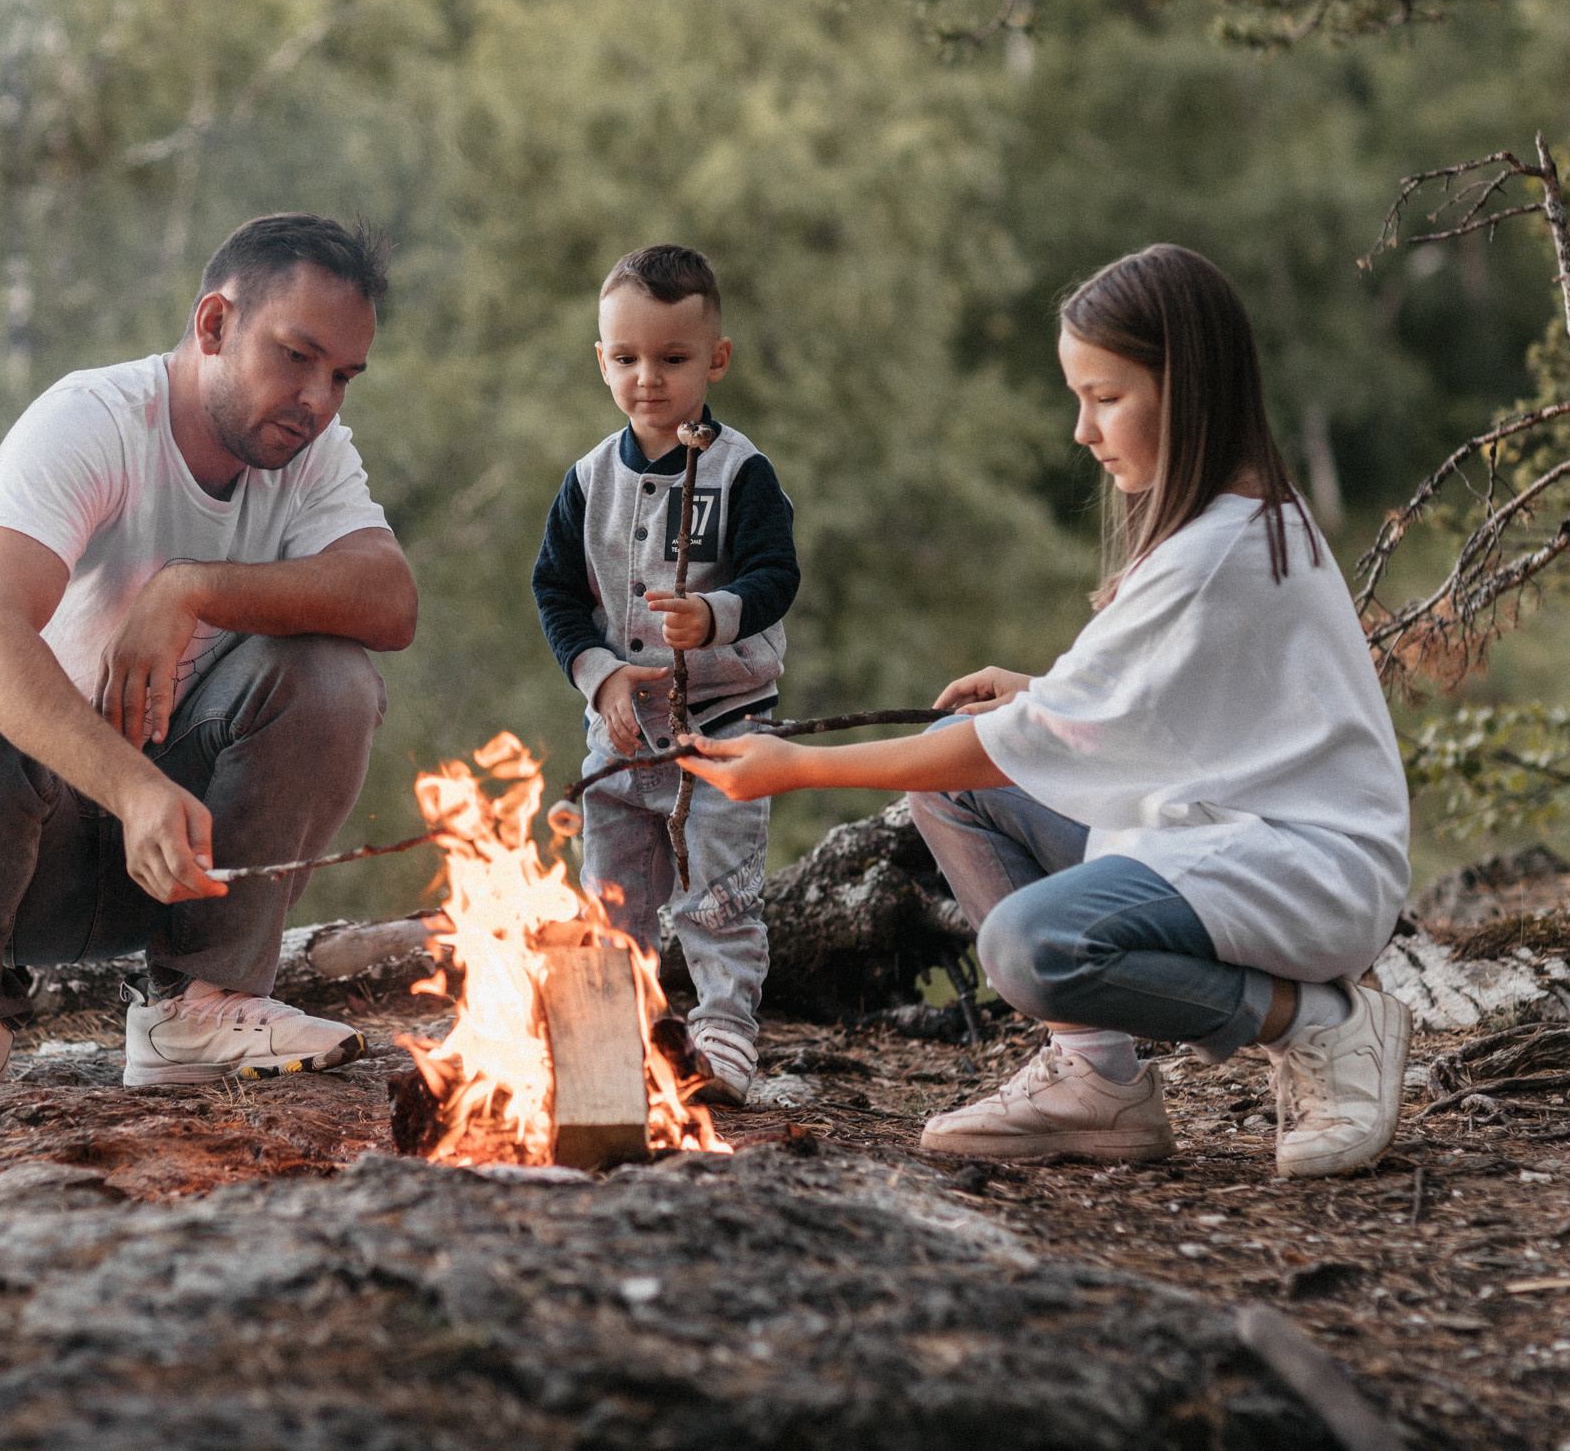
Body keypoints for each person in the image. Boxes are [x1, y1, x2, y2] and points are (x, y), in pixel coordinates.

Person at [679, 244, 1412, 1179]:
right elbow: (1202, 705)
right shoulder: (1232, 520)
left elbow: (1013, 750)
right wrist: (1041, 693)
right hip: (1226, 833)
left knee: (1031, 946)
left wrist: (796, 765)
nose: (1083, 430)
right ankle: (1096, 1084)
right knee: (955, 781)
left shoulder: (1213, 554)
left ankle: (1321, 1025)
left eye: (1106, 398)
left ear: (1187, 389)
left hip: (1305, 870)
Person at [0, 213, 417, 1100]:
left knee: (331, 673)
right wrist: (135, 786)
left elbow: (390, 599)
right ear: (214, 325)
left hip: (176, 862)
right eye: (296, 356)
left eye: (343, 376)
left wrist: (193, 588)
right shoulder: (92, 422)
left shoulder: (310, 455)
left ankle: (199, 1004)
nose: (319, 399)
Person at [533, 244, 800, 1107]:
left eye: (673, 359)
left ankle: (723, 1033)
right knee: (613, 885)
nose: (649, 378)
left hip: (723, 722)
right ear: (600, 359)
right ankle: (615, 1037)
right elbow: (557, 593)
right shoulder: (585, 482)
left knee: (716, 885)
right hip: (620, 727)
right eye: (627, 358)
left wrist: (717, 615)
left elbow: (775, 574)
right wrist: (601, 676)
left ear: (715, 360)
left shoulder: (740, 471)